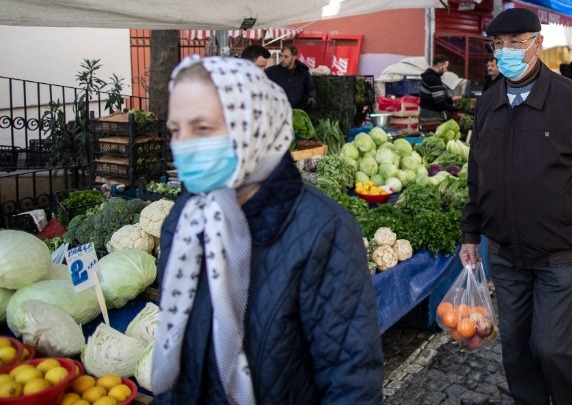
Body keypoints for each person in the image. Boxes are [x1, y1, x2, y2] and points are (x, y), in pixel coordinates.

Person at [151, 55, 384, 404]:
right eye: (175, 129)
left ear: (251, 126)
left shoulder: (324, 230)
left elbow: (351, 381)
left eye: (201, 128)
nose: (183, 143)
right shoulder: (184, 218)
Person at [459, 8, 572, 405]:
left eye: (516, 44)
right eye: (498, 45)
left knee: (551, 346)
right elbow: (476, 176)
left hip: (561, 253)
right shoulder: (488, 102)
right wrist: (470, 233)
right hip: (505, 252)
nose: (505, 53)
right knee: (516, 348)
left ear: (538, 44)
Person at [265, 44, 317, 109]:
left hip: (297, 113)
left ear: (294, 57)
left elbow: (310, 89)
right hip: (277, 113)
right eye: (281, 56)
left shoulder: (303, 72)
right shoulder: (271, 72)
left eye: (286, 57)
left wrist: (311, 97)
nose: (282, 59)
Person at [419, 54, 461, 122]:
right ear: (440, 65)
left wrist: (451, 99)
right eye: (445, 67)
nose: (446, 70)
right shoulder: (433, 79)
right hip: (432, 116)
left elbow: (434, 98)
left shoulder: (428, 76)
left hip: (425, 114)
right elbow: (440, 102)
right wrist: (456, 109)